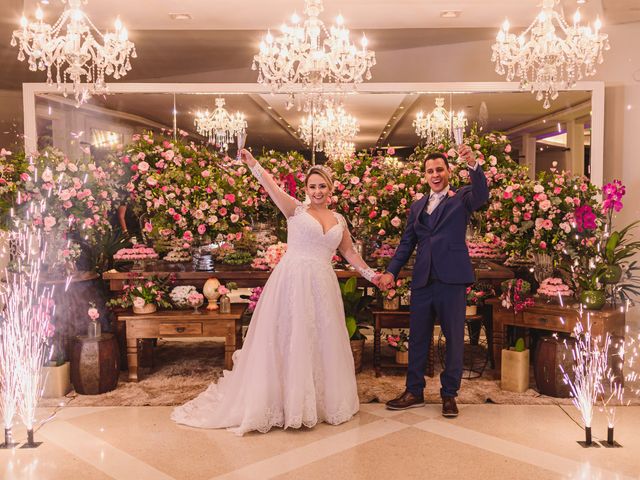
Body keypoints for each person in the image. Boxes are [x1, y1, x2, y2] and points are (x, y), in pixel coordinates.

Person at [171, 149, 380, 435]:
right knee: (289, 337)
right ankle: (285, 403)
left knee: (320, 339)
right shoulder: (295, 209)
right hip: (293, 281)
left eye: (322, 186)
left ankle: (318, 403)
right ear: (306, 189)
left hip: (322, 283)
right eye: (312, 186)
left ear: (331, 189)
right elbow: (271, 187)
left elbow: (349, 252)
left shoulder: (339, 220)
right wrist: (252, 163)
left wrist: (373, 275)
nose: (317, 191)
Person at [378, 145, 489, 417]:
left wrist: (473, 164)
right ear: (424, 176)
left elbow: (482, 195)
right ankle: (414, 391)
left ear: (449, 172)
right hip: (423, 281)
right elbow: (406, 244)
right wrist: (391, 271)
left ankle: (449, 395)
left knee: (453, 339)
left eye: (439, 169)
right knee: (418, 338)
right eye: (430, 171)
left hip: (452, 279)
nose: (435, 174)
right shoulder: (417, 207)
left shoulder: (461, 198)